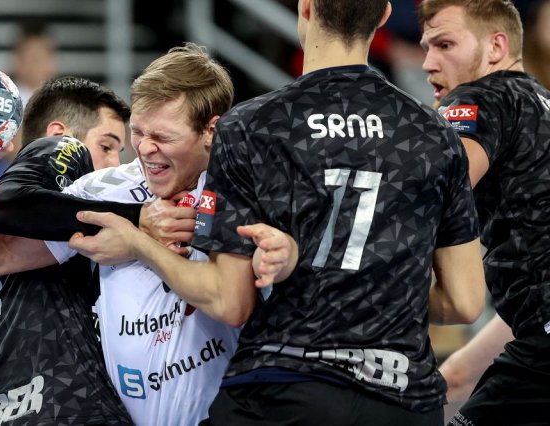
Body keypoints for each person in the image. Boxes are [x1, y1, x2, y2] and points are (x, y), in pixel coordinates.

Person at [68, 1, 486, 424]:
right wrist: (379, 291)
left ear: (305, 8)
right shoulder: (435, 134)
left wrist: (139, 244)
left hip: (283, 389)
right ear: (383, 16)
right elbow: (465, 302)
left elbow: (229, 301)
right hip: (403, 398)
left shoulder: (253, 125)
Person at [0, 44, 287, 426]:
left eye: (162, 136)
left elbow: (230, 302)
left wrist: (136, 243)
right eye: (138, 132)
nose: (144, 149)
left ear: (211, 130)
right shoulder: (108, 187)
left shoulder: (243, 186)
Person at [0, 76, 138, 425]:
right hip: (61, 407)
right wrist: (143, 219)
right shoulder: (62, 149)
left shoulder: (35, 229)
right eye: (107, 146)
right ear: (59, 133)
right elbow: (8, 215)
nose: (115, 164)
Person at [419, 1, 550, 425]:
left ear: (496, 47)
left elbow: (426, 205)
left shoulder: (480, 97)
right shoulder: (540, 103)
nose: (428, 63)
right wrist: (454, 375)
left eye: (444, 45)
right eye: (426, 47)